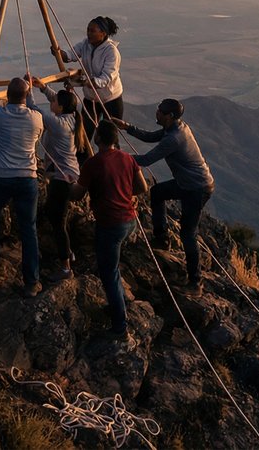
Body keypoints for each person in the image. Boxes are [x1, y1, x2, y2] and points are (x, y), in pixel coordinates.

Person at [115, 98, 215, 294]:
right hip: (188, 185)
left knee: (188, 234)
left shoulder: (174, 138)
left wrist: (116, 157)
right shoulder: (176, 127)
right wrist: (127, 127)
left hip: (196, 188)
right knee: (157, 192)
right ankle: (162, 238)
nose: (157, 113)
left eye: (160, 111)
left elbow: (146, 159)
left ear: (169, 116)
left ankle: (196, 283)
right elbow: (151, 136)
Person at [0, 77, 44, 298]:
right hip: (27, 179)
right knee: (28, 230)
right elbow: (33, 110)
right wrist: (30, 92)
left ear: (7, 96)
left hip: (1, 177)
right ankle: (31, 281)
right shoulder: (36, 119)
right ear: (25, 96)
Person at [72, 123, 147, 338]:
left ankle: (120, 327)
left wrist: (66, 185)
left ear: (99, 138)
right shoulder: (127, 158)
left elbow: (77, 195)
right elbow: (142, 187)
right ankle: (119, 305)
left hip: (110, 224)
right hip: (129, 220)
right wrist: (123, 194)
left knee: (109, 273)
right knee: (113, 269)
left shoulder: (93, 164)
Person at [29, 75, 90, 282]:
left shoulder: (58, 125)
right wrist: (43, 87)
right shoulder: (71, 117)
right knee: (54, 214)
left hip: (62, 179)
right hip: (67, 176)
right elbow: (59, 99)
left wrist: (29, 89)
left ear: (61, 108)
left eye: (54, 102)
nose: (52, 102)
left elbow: (34, 110)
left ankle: (66, 266)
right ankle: (68, 254)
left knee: (58, 222)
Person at [56, 16, 123, 133]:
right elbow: (70, 55)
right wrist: (58, 52)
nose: (89, 34)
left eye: (92, 31)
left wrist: (83, 81)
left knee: (109, 137)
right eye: (88, 30)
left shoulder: (111, 52)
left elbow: (105, 79)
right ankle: (85, 152)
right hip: (90, 98)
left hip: (110, 99)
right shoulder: (85, 44)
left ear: (103, 33)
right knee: (84, 134)